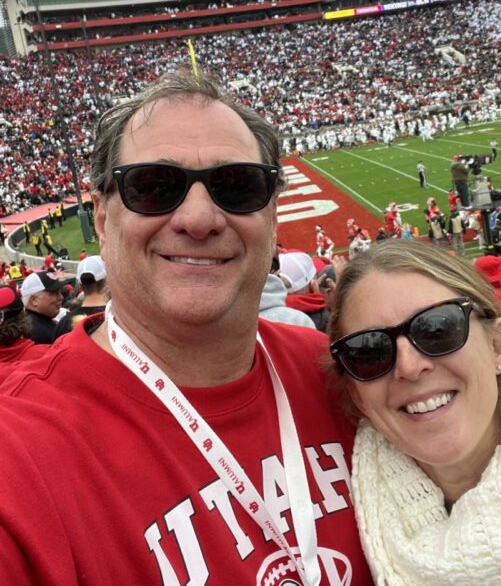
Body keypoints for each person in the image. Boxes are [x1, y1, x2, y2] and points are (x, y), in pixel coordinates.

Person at [0, 70, 372, 585]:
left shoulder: (339, 372)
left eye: (237, 186)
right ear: (104, 221)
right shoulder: (20, 456)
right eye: (154, 187)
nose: (199, 218)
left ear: (272, 218)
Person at [328, 240, 501, 586]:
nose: (410, 367)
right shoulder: (344, 537)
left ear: (498, 347)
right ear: (357, 395)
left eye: (437, 328)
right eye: (368, 351)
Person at [20, 271, 68, 344]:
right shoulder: (37, 333)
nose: (61, 297)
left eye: (59, 292)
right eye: (53, 292)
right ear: (34, 300)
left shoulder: (34, 323)